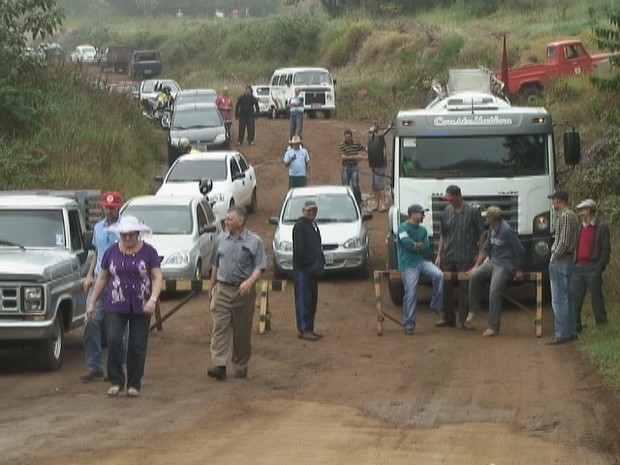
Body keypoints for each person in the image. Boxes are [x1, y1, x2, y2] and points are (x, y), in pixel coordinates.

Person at [86, 216, 162, 397]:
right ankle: (116, 380)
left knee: (137, 344)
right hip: (115, 302)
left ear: (138, 234)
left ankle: (134, 383)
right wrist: (92, 302)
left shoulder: (149, 252)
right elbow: (103, 277)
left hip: (141, 304)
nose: (127, 239)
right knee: (113, 339)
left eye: (131, 235)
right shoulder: (111, 252)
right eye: (124, 235)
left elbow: (157, 276)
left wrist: (152, 299)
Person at [207, 206, 266, 381]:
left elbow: (260, 267)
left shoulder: (255, 242)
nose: (226, 222)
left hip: (243, 293)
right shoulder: (220, 240)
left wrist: (249, 282)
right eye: (226, 219)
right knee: (219, 328)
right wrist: (211, 288)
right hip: (223, 290)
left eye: (229, 219)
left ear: (240, 222)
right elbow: (215, 265)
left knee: (242, 331)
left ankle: (241, 364)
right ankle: (219, 366)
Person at [80, 192, 122, 382]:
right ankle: (95, 365)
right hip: (99, 280)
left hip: (118, 282)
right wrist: (89, 274)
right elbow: (97, 252)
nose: (109, 210)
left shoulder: (125, 228)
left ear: (119, 207)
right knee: (90, 322)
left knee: (118, 328)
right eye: (106, 207)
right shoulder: (98, 228)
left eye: (112, 207)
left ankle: (117, 367)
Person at [467, 206, 524, 337]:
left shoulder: (507, 231)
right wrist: (476, 267)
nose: (485, 219)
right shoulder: (492, 229)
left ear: (493, 218)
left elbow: (520, 251)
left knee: (494, 291)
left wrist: (519, 270)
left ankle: (494, 326)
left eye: (487, 217)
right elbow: (486, 249)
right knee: (474, 276)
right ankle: (474, 309)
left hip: (505, 265)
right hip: (493, 262)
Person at [434, 185, 485, 329]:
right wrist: (439, 255)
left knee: (465, 288)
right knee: (445, 286)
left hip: (466, 254)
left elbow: (481, 234)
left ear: (458, 197)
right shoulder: (446, 212)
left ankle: (464, 320)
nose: (450, 202)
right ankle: (448, 318)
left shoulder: (472, 212)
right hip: (449, 254)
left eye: (452, 199)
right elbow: (443, 235)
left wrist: (479, 253)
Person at [396, 204, 444, 335]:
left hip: (421, 261)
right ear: (413, 214)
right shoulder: (402, 229)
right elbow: (408, 245)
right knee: (411, 293)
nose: (423, 216)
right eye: (421, 213)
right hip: (408, 265)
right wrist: (418, 245)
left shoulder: (422, 230)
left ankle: (436, 304)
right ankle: (409, 324)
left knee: (439, 275)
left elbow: (427, 247)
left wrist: (417, 245)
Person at [546, 190, 580, 345]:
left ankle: (562, 333)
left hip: (561, 259)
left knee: (559, 299)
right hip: (568, 260)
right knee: (568, 297)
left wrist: (554, 256)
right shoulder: (572, 216)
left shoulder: (565, 216)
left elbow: (564, 241)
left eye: (553, 200)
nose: (552, 203)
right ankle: (571, 330)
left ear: (558, 200)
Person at [571, 199, 611, 332]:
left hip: (592, 267)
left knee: (597, 298)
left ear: (589, 210)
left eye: (582, 210)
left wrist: (598, 268)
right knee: (575, 299)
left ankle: (602, 326)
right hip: (578, 267)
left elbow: (605, 250)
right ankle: (576, 327)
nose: (580, 213)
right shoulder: (580, 226)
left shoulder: (601, 227)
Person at [293, 200, 325, 341]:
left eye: (314, 210)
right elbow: (300, 250)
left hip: (313, 271)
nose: (311, 213)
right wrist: (309, 265)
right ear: (303, 211)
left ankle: (310, 328)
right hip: (303, 271)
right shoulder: (300, 226)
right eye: (309, 211)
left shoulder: (313, 226)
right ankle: (304, 329)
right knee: (303, 300)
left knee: (312, 300)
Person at [339, 129, 367, 206]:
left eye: (349, 137)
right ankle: (346, 201)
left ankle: (358, 201)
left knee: (355, 185)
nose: (347, 139)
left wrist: (370, 153)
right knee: (346, 186)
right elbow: (343, 157)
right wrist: (355, 157)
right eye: (346, 137)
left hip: (354, 167)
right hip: (346, 167)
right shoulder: (342, 145)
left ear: (351, 137)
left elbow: (365, 149)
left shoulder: (356, 143)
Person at [371, 144, 388, 212]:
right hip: (374, 165)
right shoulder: (372, 142)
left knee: (379, 185)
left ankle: (383, 204)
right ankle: (377, 204)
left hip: (380, 166)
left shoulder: (380, 142)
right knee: (375, 185)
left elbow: (383, 155)